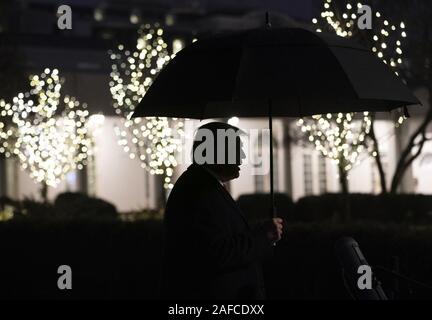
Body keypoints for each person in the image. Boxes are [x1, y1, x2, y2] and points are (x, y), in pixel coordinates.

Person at [159, 122, 283, 300]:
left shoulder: (203, 185)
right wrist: (262, 236)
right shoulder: (199, 191)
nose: (242, 156)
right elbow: (214, 253)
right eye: (236, 149)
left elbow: (223, 235)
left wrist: (261, 232)